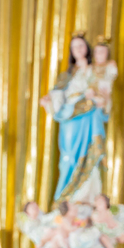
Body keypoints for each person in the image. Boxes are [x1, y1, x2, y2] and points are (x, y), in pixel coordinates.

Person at [40, 33, 108, 204]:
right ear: (71, 51)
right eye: (74, 47)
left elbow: (105, 95)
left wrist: (98, 97)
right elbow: (57, 94)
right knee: (69, 157)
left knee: (88, 157)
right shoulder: (66, 75)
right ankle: (65, 198)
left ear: (87, 48)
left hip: (89, 119)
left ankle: (84, 198)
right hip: (70, 119)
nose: (78, 49)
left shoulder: (96, 71)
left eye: (81, 45)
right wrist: (49, 100)